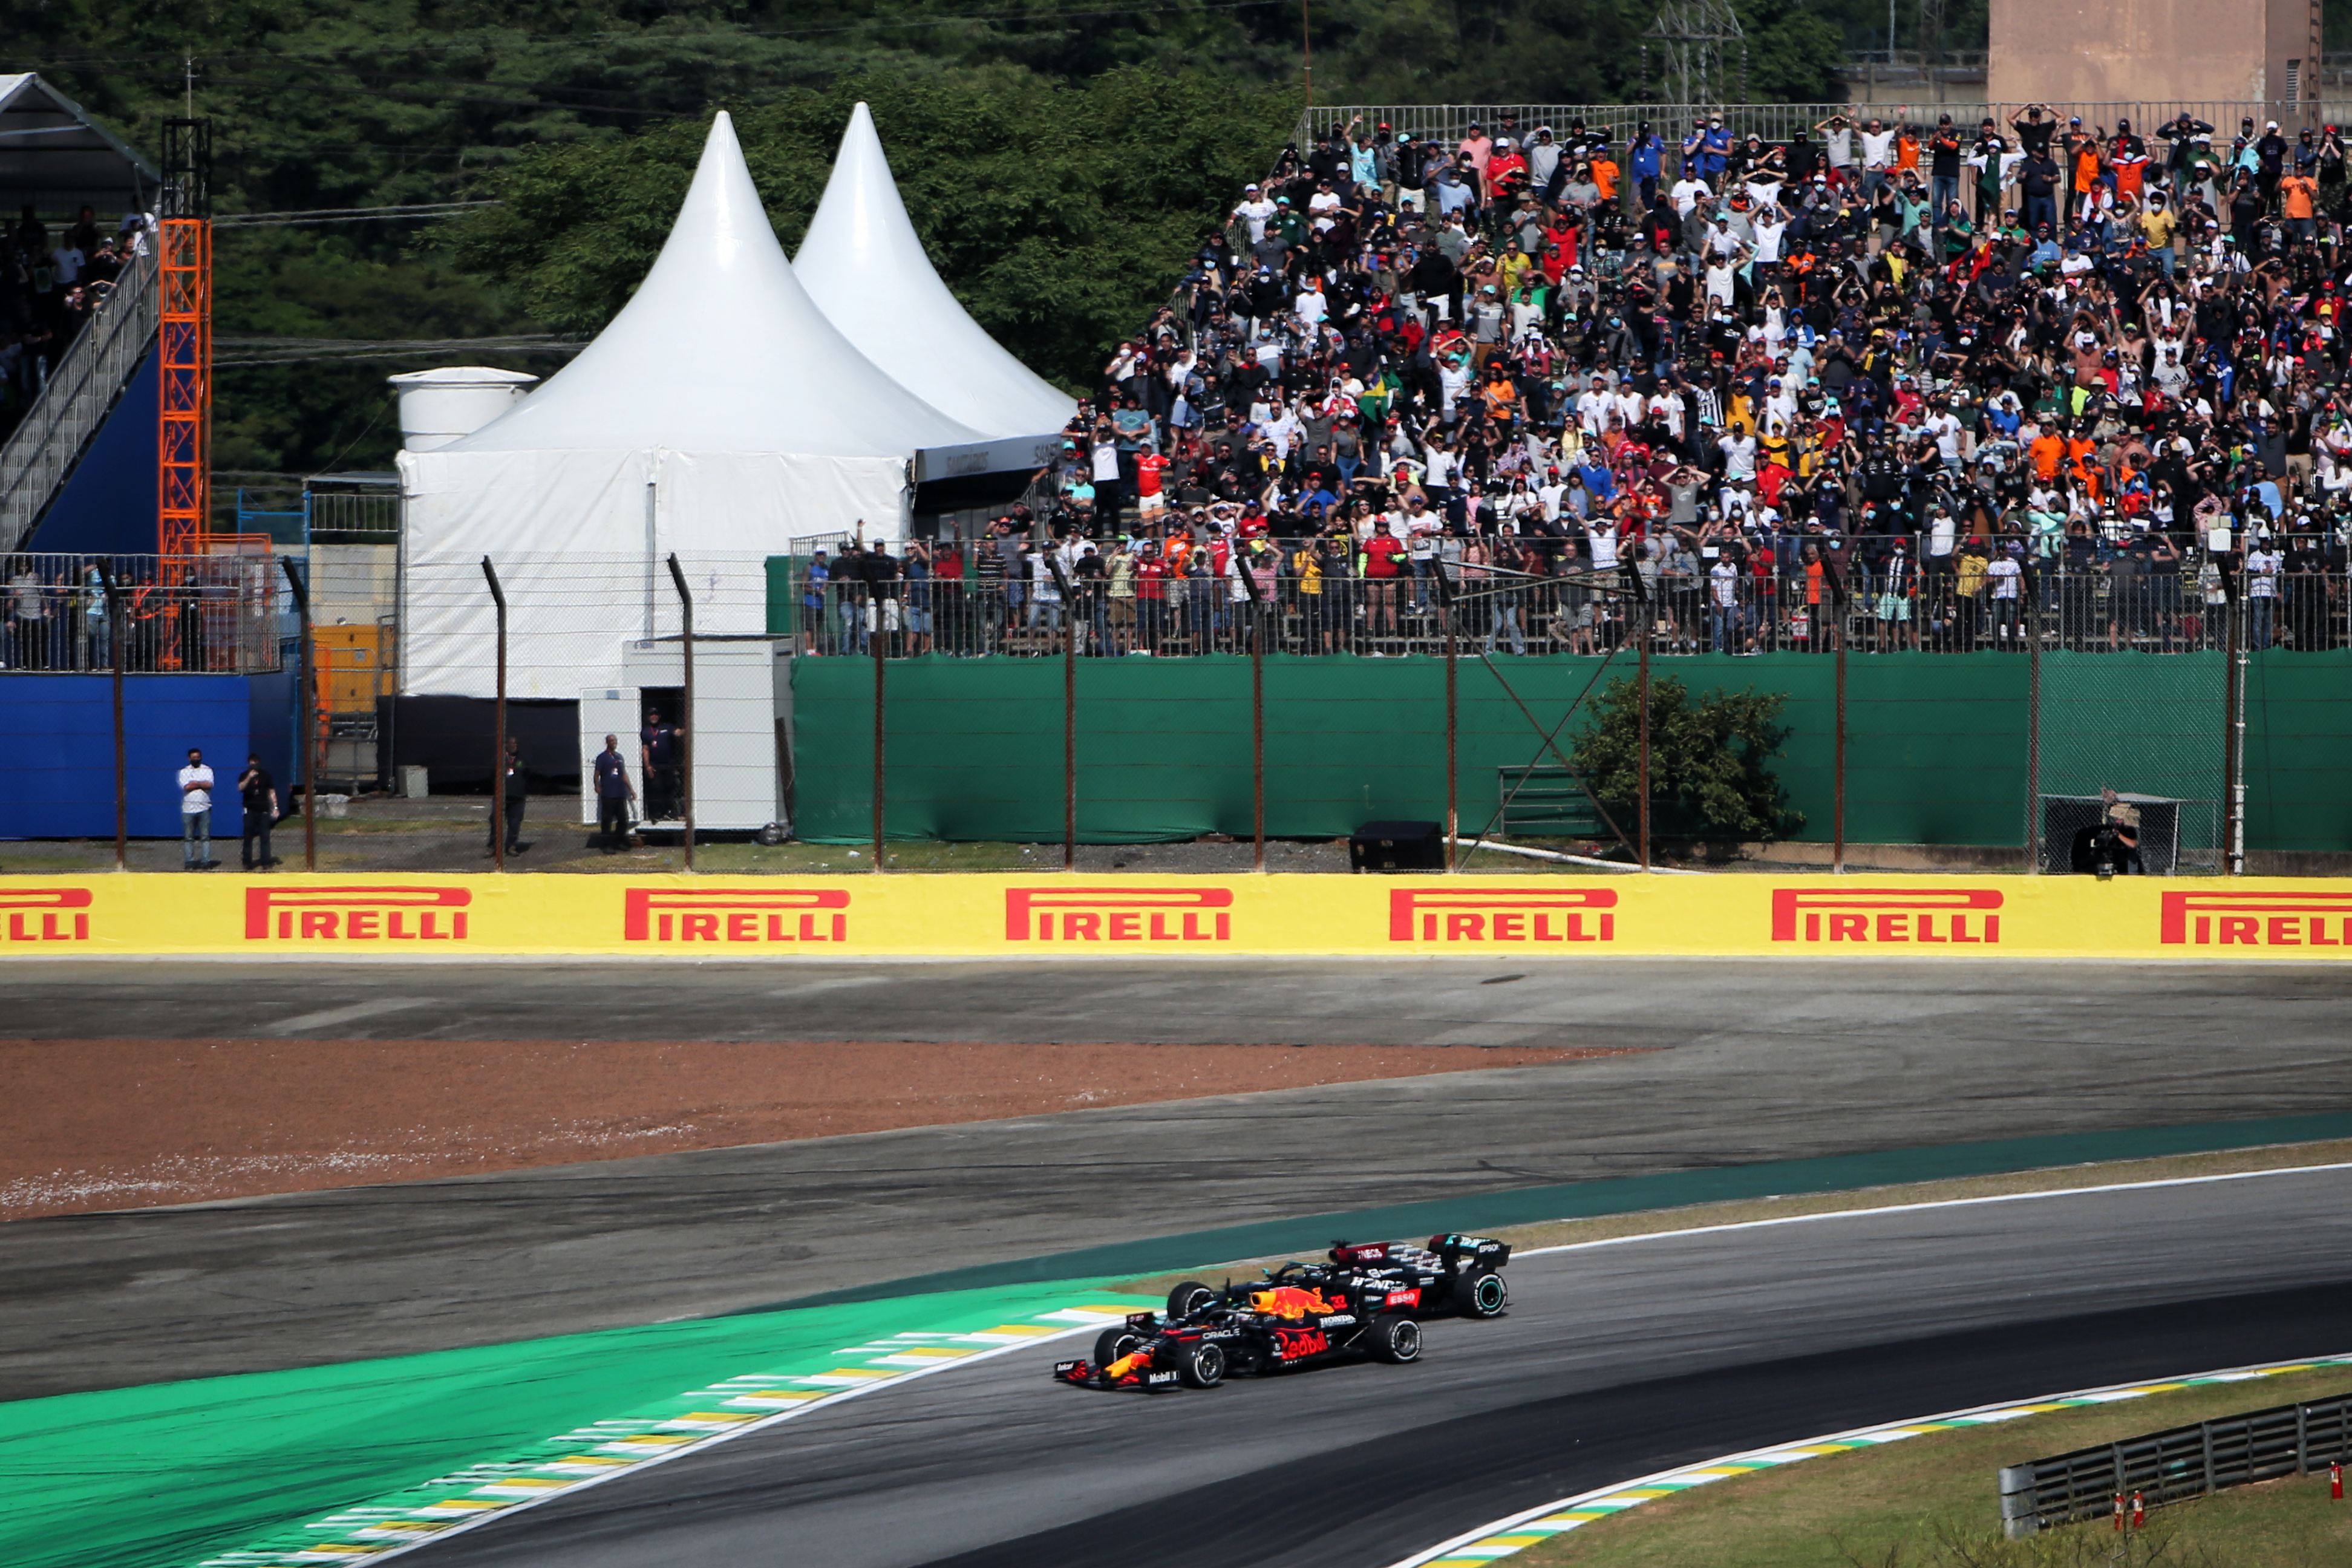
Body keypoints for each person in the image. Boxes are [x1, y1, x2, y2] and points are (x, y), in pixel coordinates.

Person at [592, 732, 635, 853]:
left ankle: (619, 842)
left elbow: (624, 775)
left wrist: (631, 790)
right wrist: (597, 786)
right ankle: (606, 845)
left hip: (620, 793)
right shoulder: (602, 757)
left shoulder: (619, 757)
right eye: (611, 741)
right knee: (607, 820)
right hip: (608, 794)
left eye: (615, 741)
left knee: (623, 819)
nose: (614, 743)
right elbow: (597, 774)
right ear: (607, 743)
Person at [486, 735, 529, 857]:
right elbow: (491, 774)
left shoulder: (523, 760)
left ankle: (511, 846)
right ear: (506, 745)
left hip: (517, 798)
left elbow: (528, 774)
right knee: (495, 819)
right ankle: (493, 846)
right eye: (512, 743)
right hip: (501, 796)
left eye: (516, 744)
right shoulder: (500, 759)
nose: (514, 745)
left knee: (514, 823)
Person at [236, 754, 278, 871]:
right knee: (248, 837)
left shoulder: (266, 775)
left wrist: (275, 807)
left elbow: (271, 791)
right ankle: (247, 862)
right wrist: (249, 777)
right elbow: (240, 788)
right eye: (252, 762)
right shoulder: (244, 775)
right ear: (249, 763)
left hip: (263, 810)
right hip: (250, 810)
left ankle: (266, 861)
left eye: (256, 762)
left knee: (265, 837)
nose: (254, 764)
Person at [641, 708, 681, 821]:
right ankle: (657, 813)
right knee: (657, 789)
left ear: (659, 716)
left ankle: (670, 813)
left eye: (656, 714)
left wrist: (687, 729)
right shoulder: (646, 732)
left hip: (668, 765)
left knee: (670, 788)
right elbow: (645, 749)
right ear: (648, 717)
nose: (654, 717)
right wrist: (647, 765)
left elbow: (678, 732)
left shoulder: (667, 727)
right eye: (651, 715)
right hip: (655, 766)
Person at [177, 747, 214, 871]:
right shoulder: (184, 771)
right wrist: (201, 784)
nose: (196, 759)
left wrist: (195, 783)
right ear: (189, 758)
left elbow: (209, 785)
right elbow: (186, 787)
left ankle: (206, 862)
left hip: (205, 808)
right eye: (194, 758)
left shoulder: (207, 769)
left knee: (205, 837)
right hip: (188, 809)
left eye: (198, 757)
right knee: (189, 837)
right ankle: (189, 862)